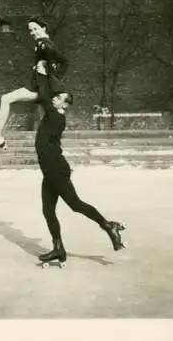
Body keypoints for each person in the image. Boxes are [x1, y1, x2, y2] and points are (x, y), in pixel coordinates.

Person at [34, 71, 125, 267]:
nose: (55, 98)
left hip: (56, 170)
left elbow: (43, 95)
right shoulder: (52, 114)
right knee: (48, 210)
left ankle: (109, 226)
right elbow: (46, 95)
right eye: (56, 97)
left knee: (75, 204)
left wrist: (41, 72)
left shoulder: (56, 116)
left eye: (60, 98)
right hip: (50, 172)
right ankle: (58, 248)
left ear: (65, 105)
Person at [0, 18, 69, 155]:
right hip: (37, 87)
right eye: (30, 30)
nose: (33, 32)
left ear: (44, 28)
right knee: (44, 123)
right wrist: (48, 68)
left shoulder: (44, 43)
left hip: (40, 89)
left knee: (6, 99)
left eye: (35, 29)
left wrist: (50, 70)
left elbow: (59, 60)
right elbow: (64, 61)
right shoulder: (42, 44)